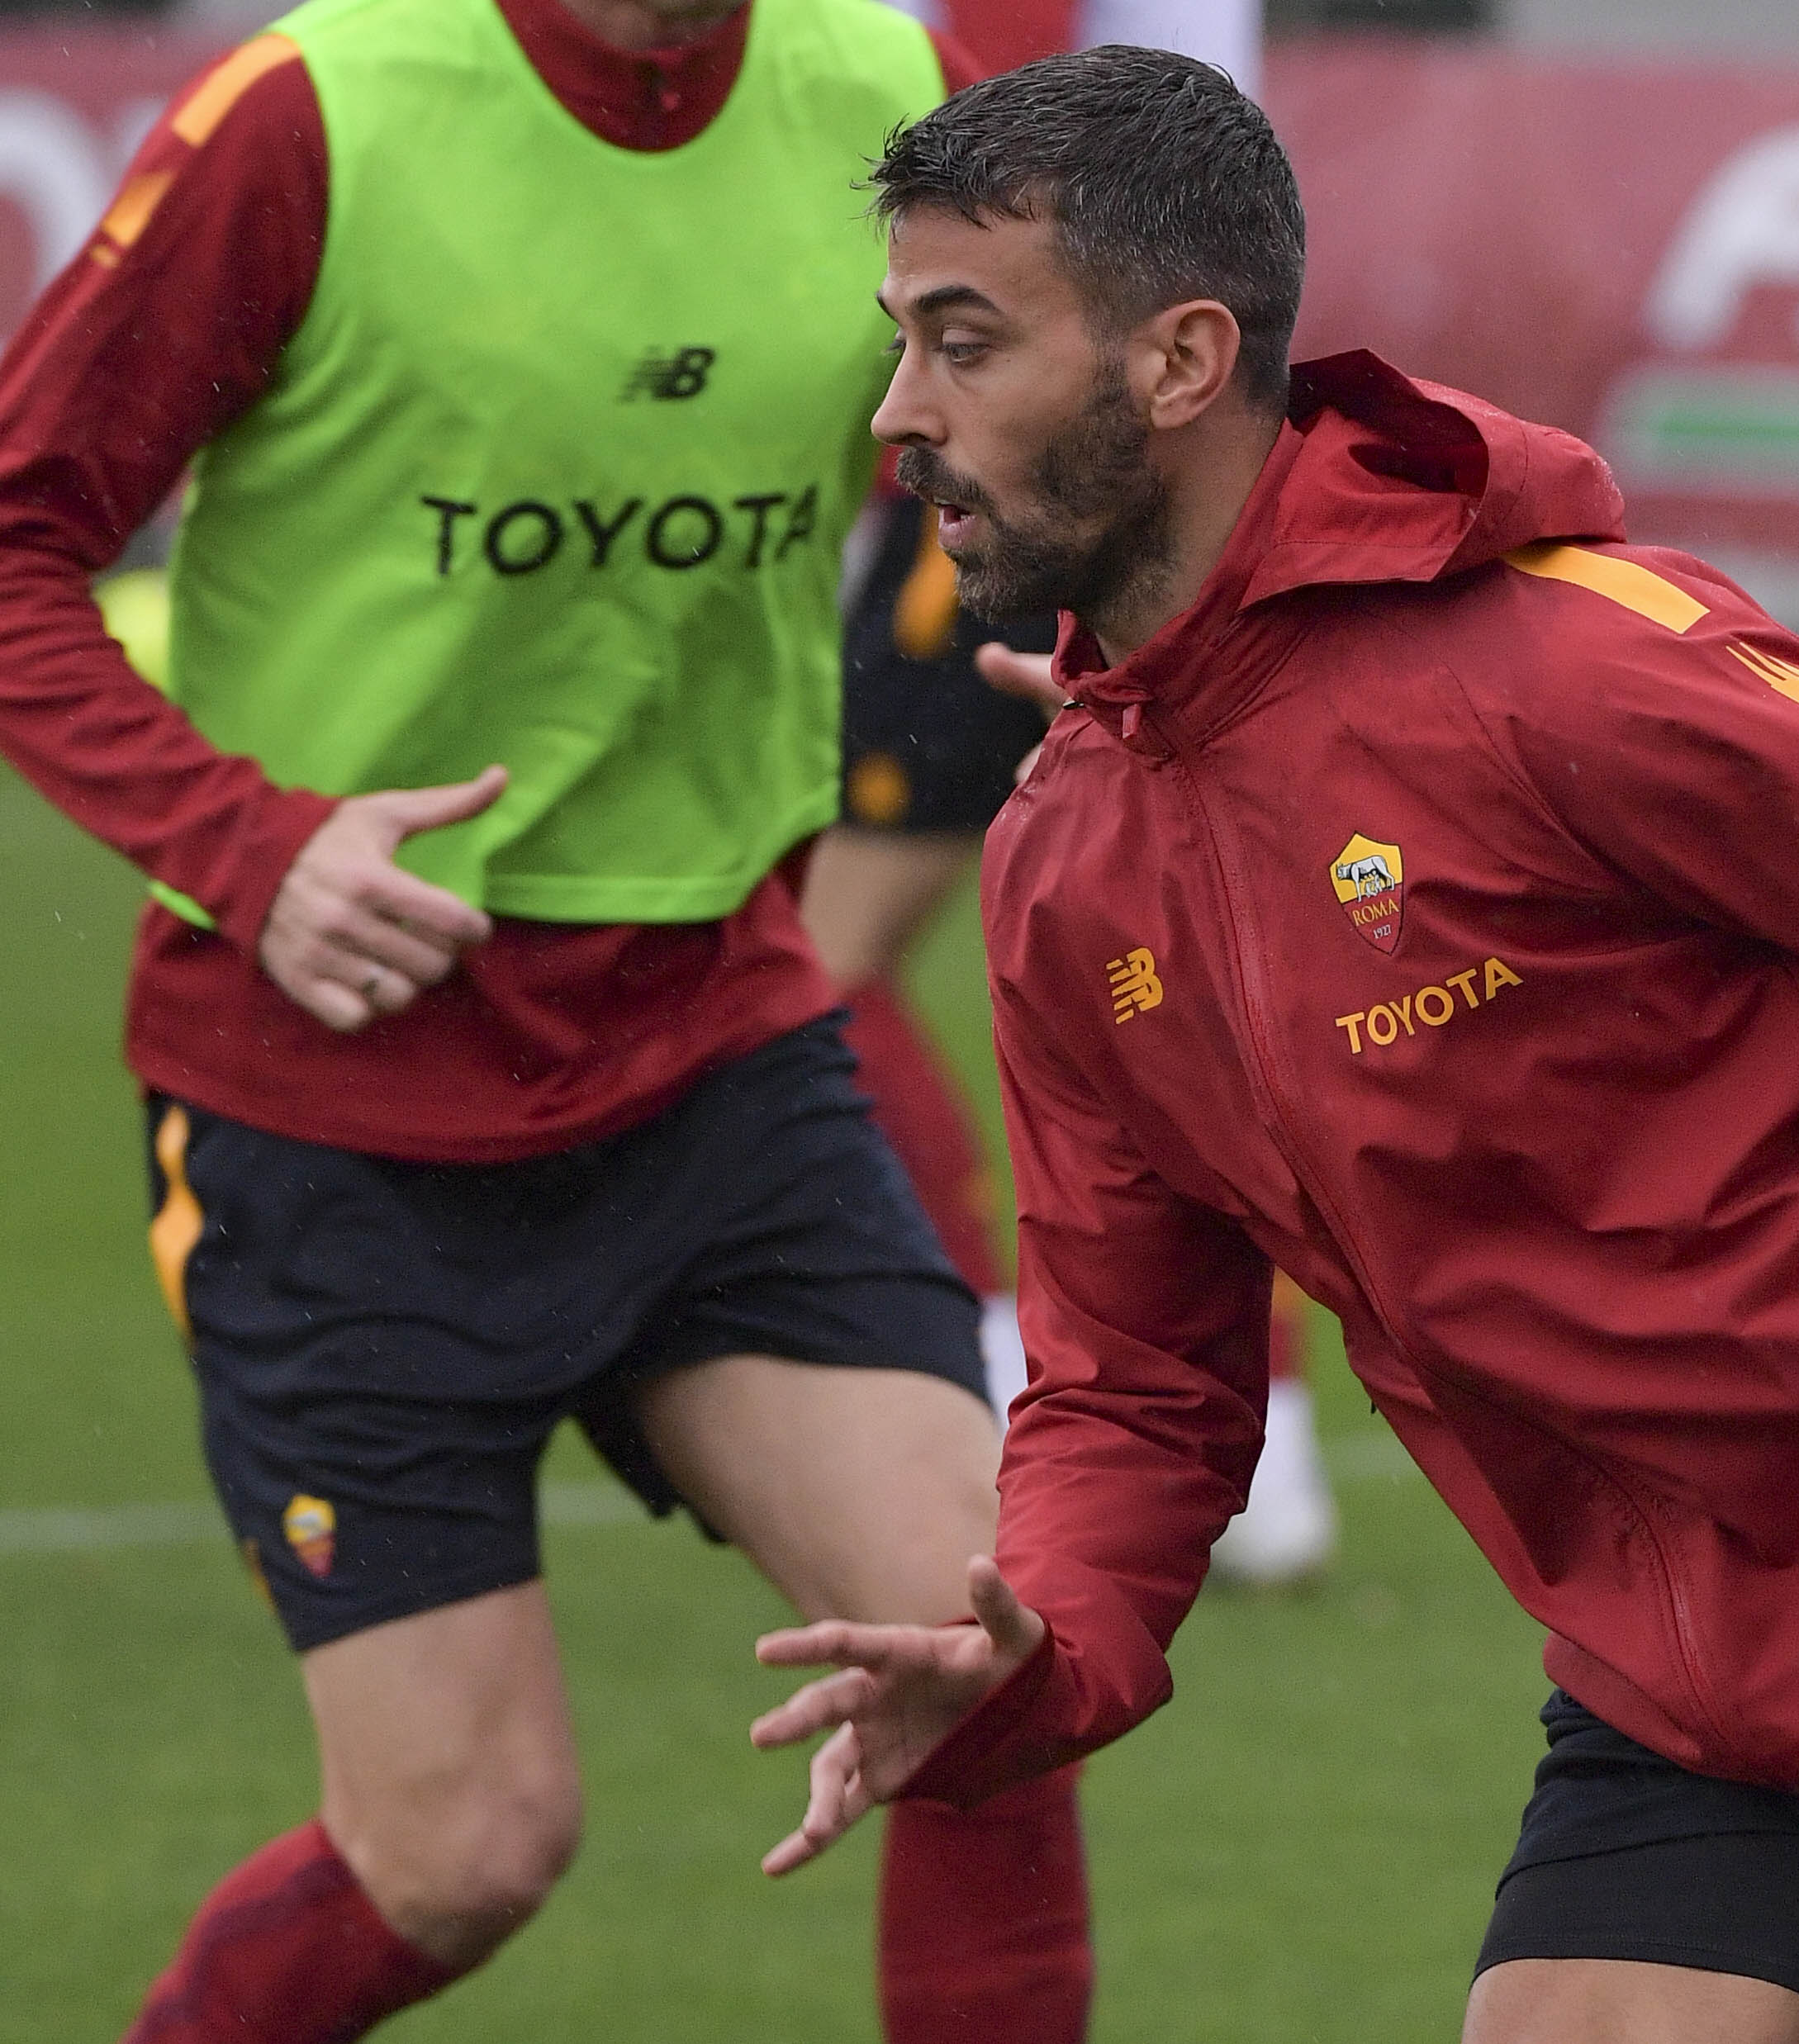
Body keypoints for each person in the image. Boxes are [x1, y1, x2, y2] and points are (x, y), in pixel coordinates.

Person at [752, 46, 1799, 2044]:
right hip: (1678, 1688)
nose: (902, 414)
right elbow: (1141, 1391)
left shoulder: (1560, 668)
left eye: (962, 341)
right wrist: (1038, 1655)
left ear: (1178, 362)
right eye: (901, 343)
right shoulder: (1066, 861)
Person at [0, 1, 1094, 2037]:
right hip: (331, 1101)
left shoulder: (880, 85)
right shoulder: (319, 115)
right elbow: (15, 537)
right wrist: (251, 845)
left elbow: (1040, 437)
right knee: (467, 1845)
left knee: (992, 1663)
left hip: (713, 1044)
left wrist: (1137, 623)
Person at [806, 486, 1337, 1582]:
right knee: (1184, 975)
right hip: (1150, 533)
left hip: (988, 546)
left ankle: (990, 1359)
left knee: (834, 965)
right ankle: (1262, 1432)